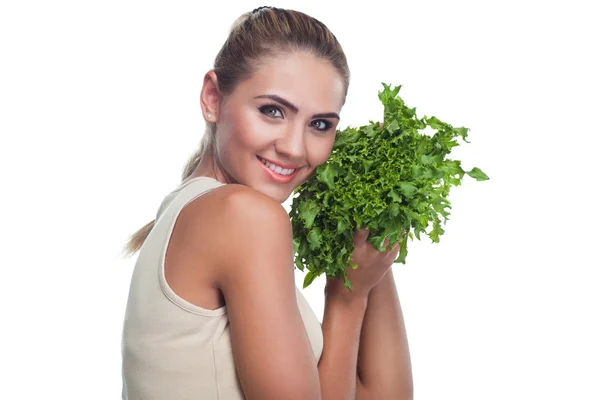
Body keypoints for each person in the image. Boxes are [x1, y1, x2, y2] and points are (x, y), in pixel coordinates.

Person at [121, 6, 413, 400]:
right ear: (213, 98)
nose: (294, 148)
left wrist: (371, 211)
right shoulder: (244, 216)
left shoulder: (194, 209)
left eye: (320, 125)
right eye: (272, 111)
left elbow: (384, 395)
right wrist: (348, 297)